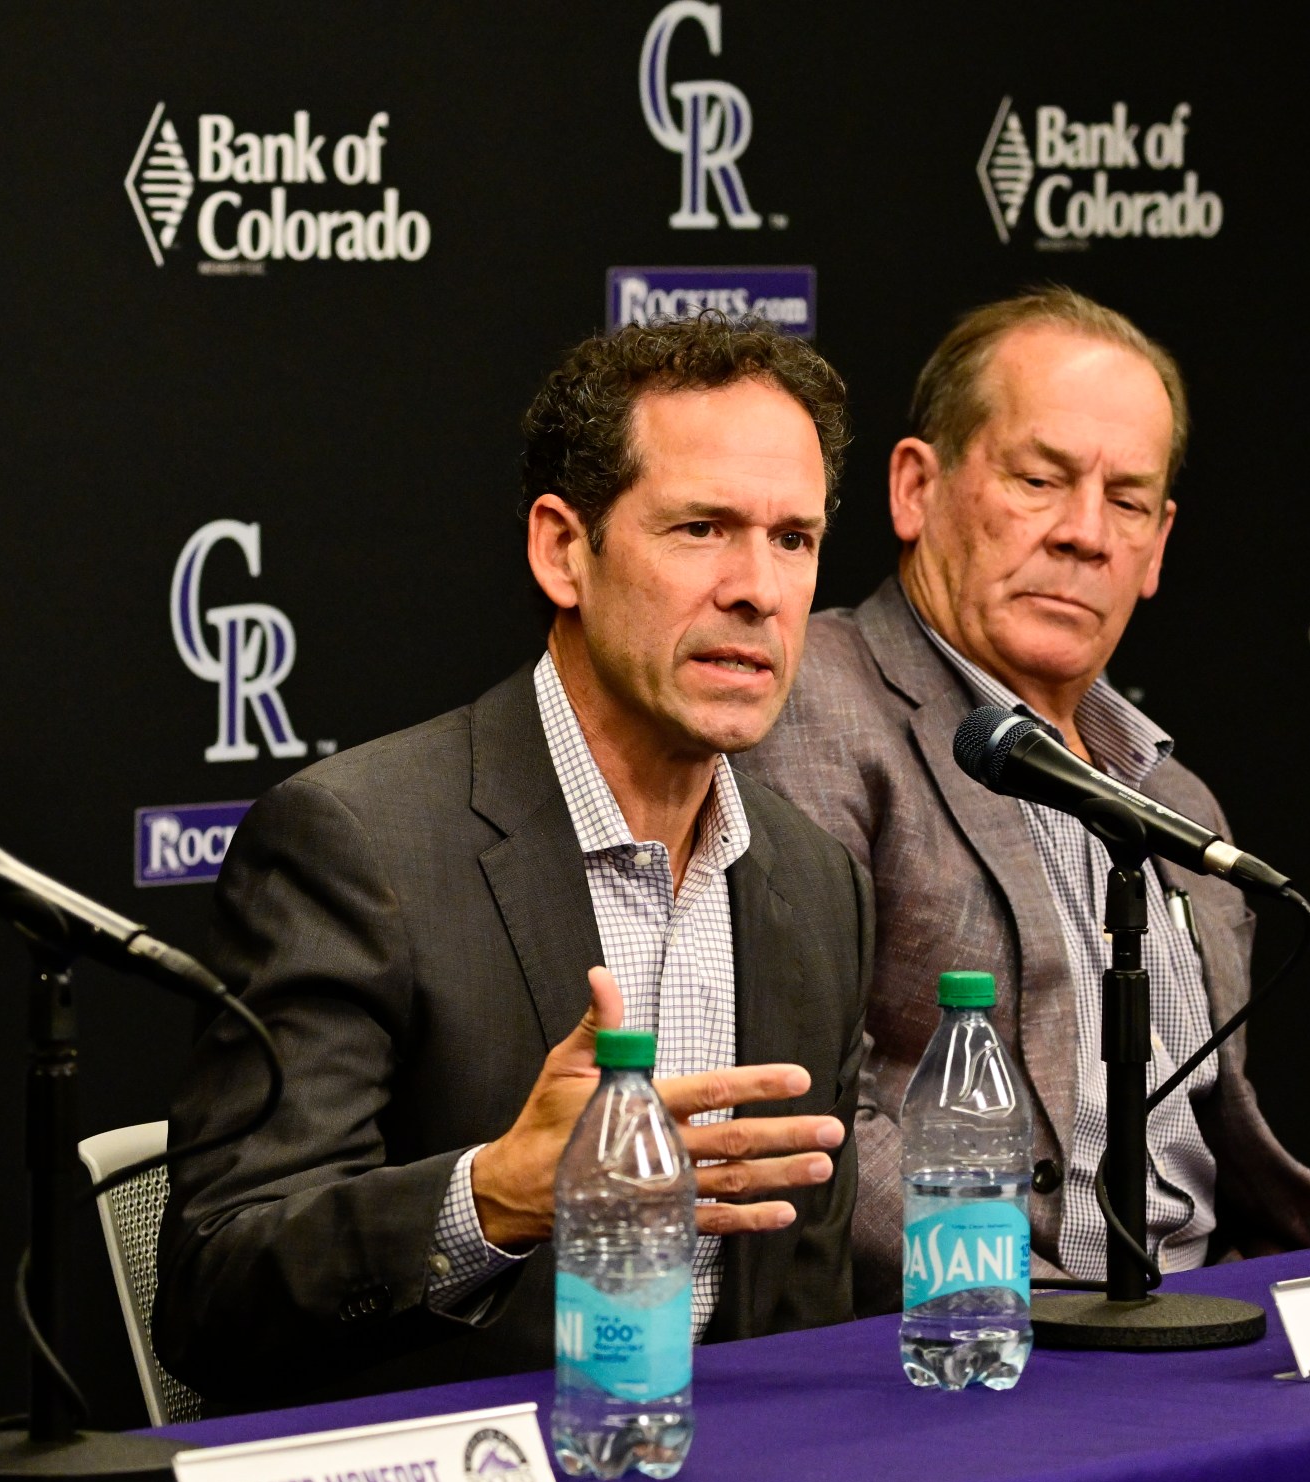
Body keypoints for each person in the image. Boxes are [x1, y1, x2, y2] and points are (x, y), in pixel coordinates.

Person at [154, 316, 872, 1410]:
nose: (758, 589)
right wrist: (489, 1200)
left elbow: (799, 1307)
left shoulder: (819, 883)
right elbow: (218, 1291)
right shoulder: (359, 846)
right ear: (560, 550)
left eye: (794, 540)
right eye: (700, 529)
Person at [740, 287, 1310, 1315]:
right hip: (987, 1333)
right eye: (1040, 479)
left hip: (1210, 1309)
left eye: (1126, 502)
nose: (1084, 535)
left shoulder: (1177, 802)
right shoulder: (813, 715)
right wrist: (1026, 1304)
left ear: (1157, 546)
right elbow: (809, 1108)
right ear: (914, 489)